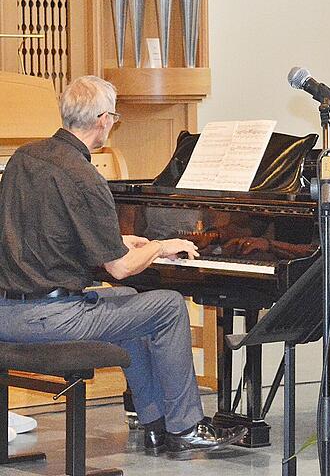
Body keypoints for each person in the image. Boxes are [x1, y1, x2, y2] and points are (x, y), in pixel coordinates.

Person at [0, 75, 247, 458]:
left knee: (131, 303)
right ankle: (185, 427)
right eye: (114, 117)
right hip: (50, 317)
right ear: (101, 120)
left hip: (7, 312)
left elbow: (49, 234)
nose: (113, 123)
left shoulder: (24, 158)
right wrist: (162, 245)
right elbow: (119, 268)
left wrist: (120, 243)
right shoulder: (85, 176)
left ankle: (154, 425)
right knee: (165, 306)